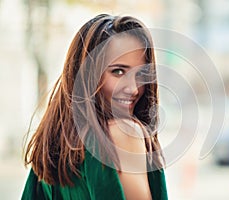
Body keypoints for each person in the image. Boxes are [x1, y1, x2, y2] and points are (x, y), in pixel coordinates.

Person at [22, 14, 168, 200]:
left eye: (141, 74)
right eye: (118, 71)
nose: (133, 89)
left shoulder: (53, 147)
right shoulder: (123, 132)